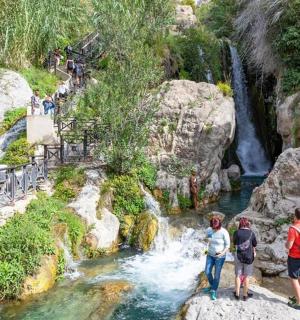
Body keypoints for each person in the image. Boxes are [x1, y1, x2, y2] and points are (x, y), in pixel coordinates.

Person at [202, 216, 230, 300]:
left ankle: (213, 290)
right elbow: (205, 238)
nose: (215, 229)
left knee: (216, 275)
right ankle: (212, 286)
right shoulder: (209, 230)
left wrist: (221, 253)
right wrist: (206, 241)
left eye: (216, 228)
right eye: (213, 228)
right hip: (210, 255)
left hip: (220, 257)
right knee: (207, 272)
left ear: (219, 225)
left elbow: (228, 245)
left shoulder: (224, 232)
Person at [233, 217, 257, 301]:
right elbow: (254, 244)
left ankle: (237, 293)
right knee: (247, 276)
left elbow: (235, 243)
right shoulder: (251, 233)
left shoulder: (236, 232)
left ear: (240, 224)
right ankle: (245, 295)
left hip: (238, 255)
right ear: (248, 224)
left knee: (238, 275)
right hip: (249, 256)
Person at [286, 208, 300, 310]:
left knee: (294, 279)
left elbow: (289, 246)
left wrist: (286, 244)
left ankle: (299, 302)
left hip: (295, 257)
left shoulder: (293, 229)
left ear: (295, 216)